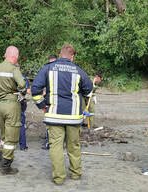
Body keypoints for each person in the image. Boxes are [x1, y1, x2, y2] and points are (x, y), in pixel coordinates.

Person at [31, 44, 93, 185]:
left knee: (56, 147)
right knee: (74, 146)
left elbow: (35, 89)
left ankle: (59, 178)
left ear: (59, 55)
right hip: (73, 118)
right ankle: (76, 174)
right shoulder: (79, 71)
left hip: (53, 116)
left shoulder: (48, 68)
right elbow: (89, 91)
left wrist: (42, 105)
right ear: (72, 57)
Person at [0, 46, 27, 175]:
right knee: (11, 137)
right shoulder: (14, 69)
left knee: (4, 135)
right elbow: (22, 85)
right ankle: (6, 167)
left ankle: (1, 161)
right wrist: (21, 94)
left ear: (5, 55)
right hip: (11, 106)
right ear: (15, 56)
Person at [41, 55, 57, 150]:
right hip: (49, 102)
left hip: (57, 102)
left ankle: (51, 143)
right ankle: (48, 142)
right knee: (49, 124)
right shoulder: (46, 71)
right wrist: (42, 104)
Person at [19, 74, 30, 151]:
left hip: (7, 102)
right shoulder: (23, 77)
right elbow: (28, 91)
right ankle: (23, 146)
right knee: (21, 124)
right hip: (20, 102)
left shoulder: (6, 74)